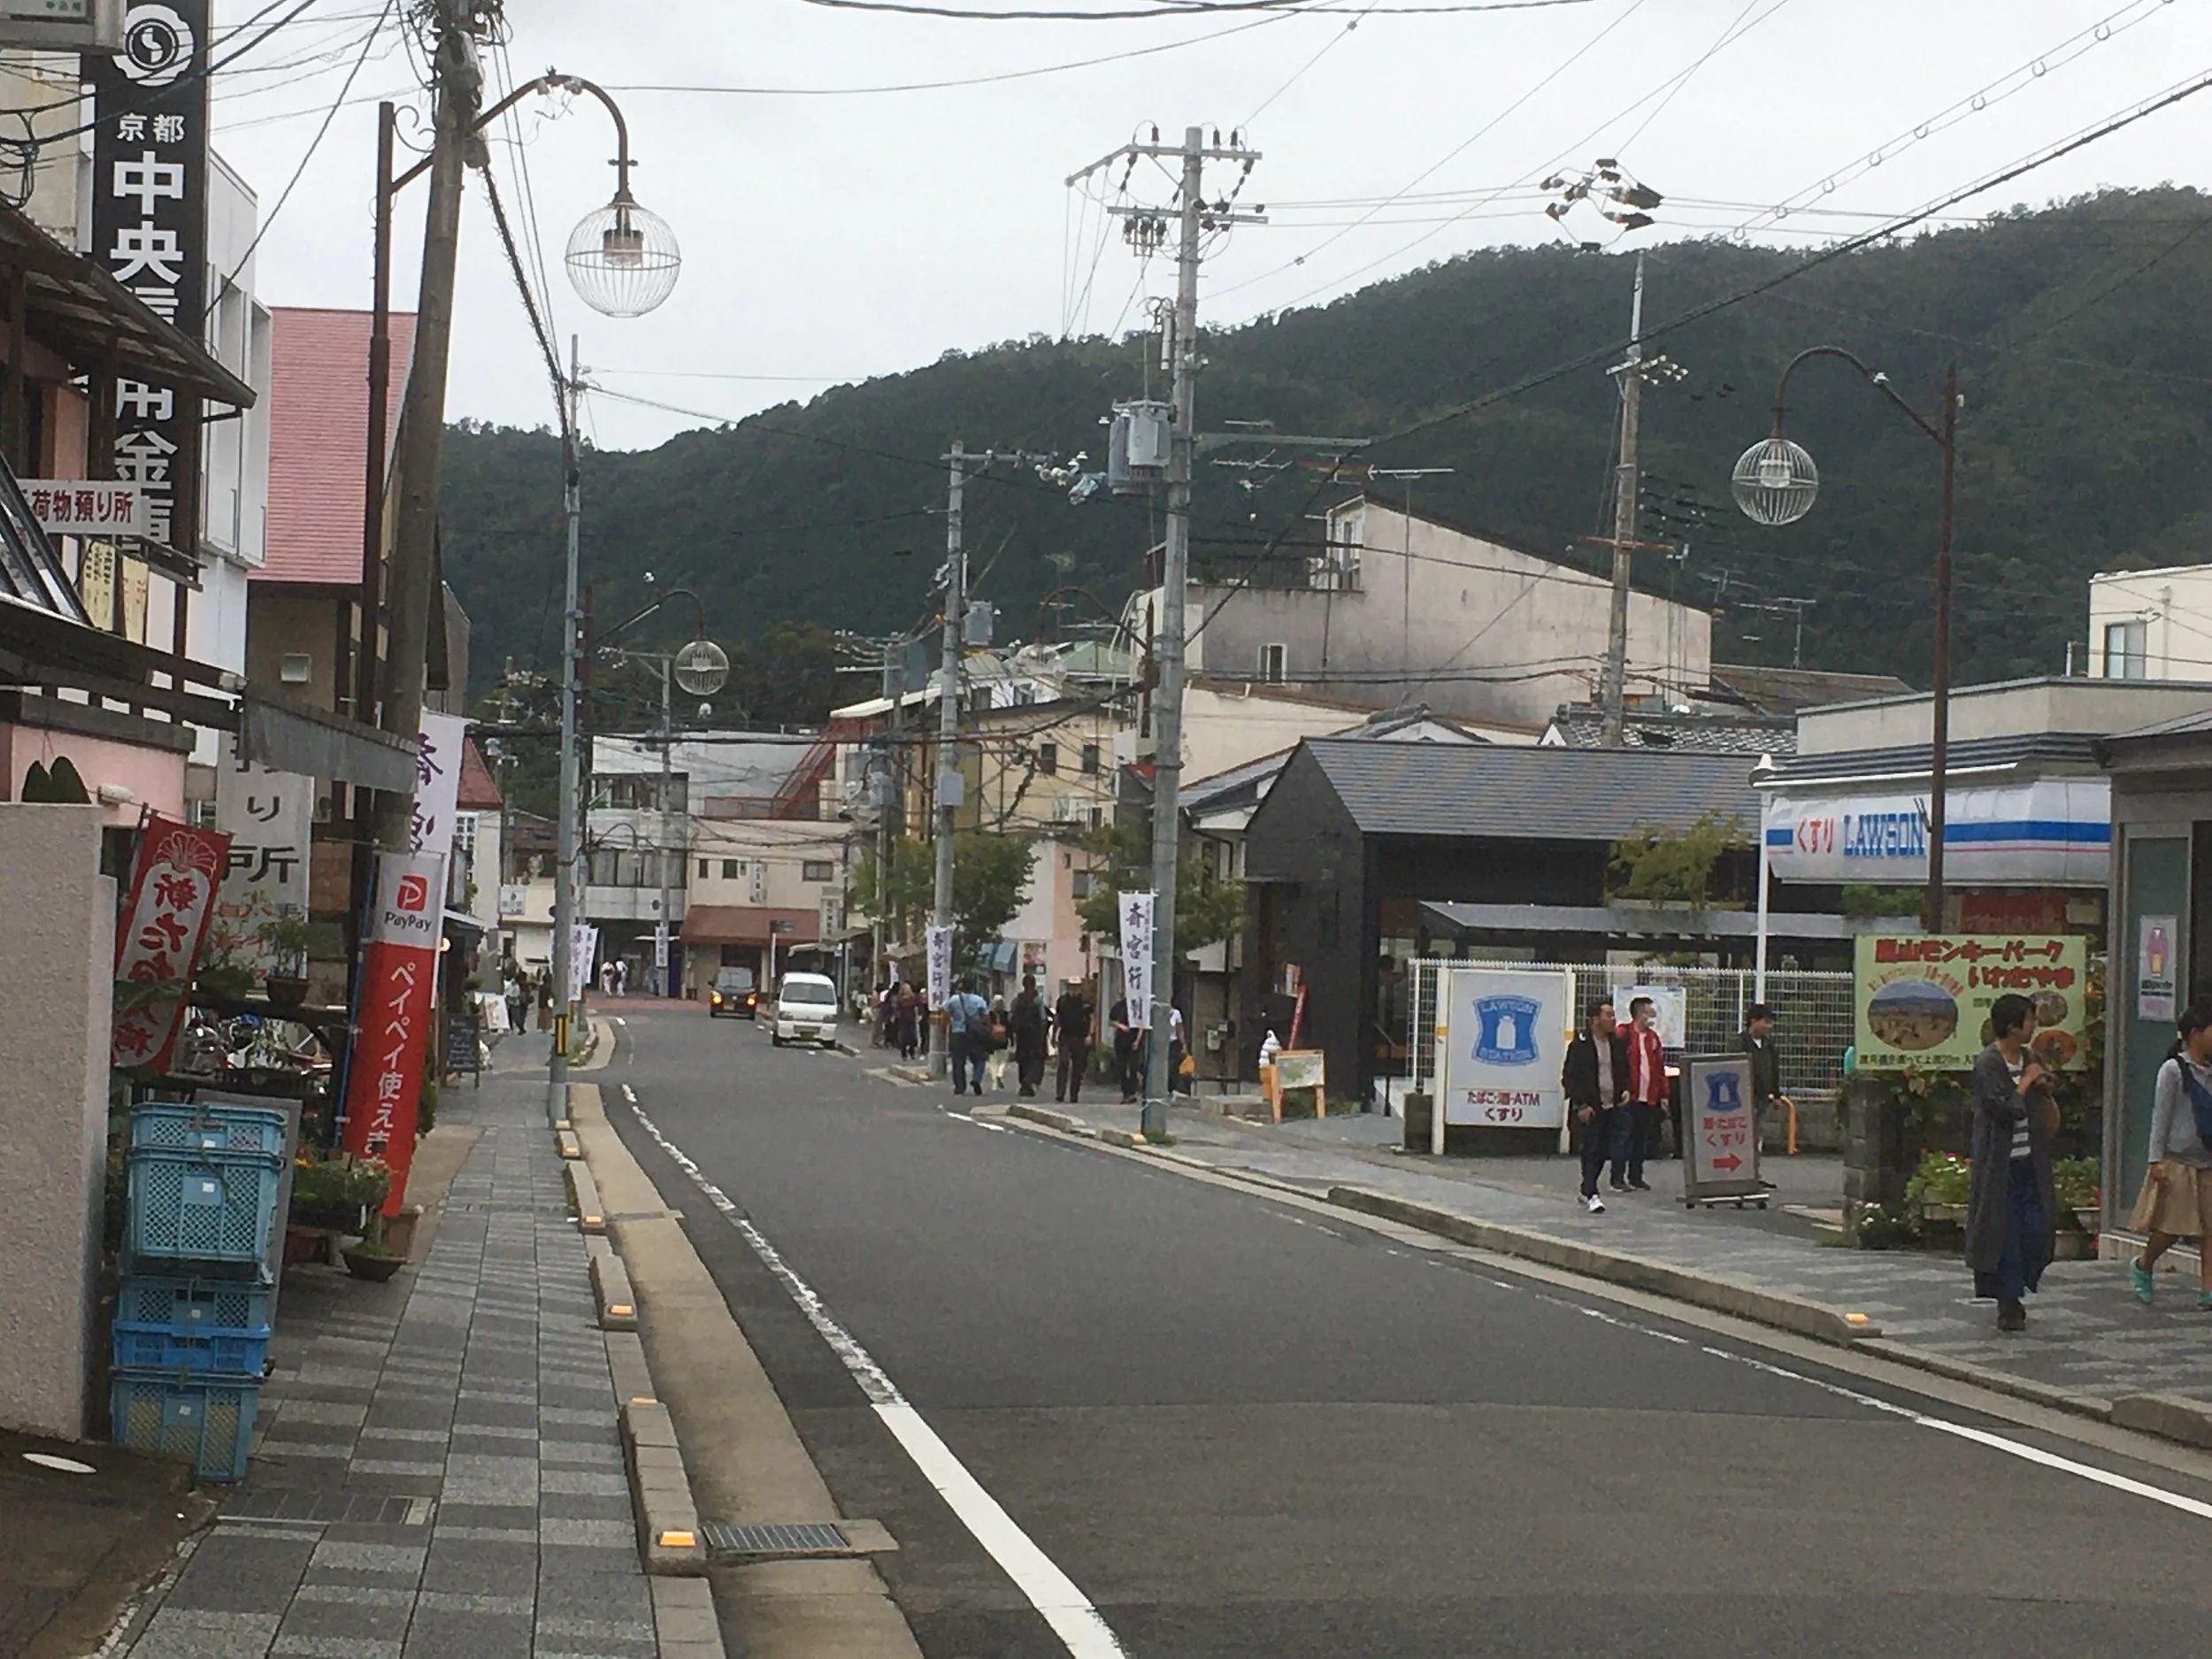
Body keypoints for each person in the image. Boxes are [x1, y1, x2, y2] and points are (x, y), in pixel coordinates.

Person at [1968, 992, 2058, 1333]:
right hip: (1999, 1164)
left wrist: (2042, 1083)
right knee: (2002, 1235)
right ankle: (2008, 1302)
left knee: (2036, 1229)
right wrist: (2025, 1084)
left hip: (2030, 1161)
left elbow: (2041, 1087)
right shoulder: (1988, 1063)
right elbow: (2004, 1108)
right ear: (2011, 1024)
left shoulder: (2029, 1056)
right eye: (2029, 1019)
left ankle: (2021, 1285)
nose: (2033, 1026)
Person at [2126, 1001, 2212, 1309]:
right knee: (2172, 1228)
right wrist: (2155, 1160)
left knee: (2210, 1229)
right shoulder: (2173, 1070)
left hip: (2208, 1160)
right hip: (2179, 1161)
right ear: (2195, 1033)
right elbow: (2160, 1117)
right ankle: (2144, 1264)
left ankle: (2207, 1290)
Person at [1563, 1002, 1628, 1214]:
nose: (1613, 1019)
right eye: (1608, 1015)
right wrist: (1581, 1104)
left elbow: (1622, 1071)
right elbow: (1570, 1078)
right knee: (1590, 1149)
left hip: (1611, 1105)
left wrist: (1625, 1090)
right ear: (1594, 1020)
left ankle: (1586, 1188)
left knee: (1602, 1150)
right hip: (1590, 1106)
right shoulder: (1580, 1045)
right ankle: (1591, 1193)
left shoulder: (1616, 1044)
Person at [1612, 995, 1666, 1193]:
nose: (1653, 1016)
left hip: (1648, 1096)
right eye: (1650, 1012)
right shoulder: (1623, 1034)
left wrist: (1664, 1094)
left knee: (1640, 1138)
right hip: (1629, 1095)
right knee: (1623, 1136)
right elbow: (1617, 1063)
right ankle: (1617, 1177)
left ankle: (1636, 1176)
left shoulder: (1653, 1038)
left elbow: (1659, 1067)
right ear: (1639, 1013)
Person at [1739, 1002, 1788, 1188]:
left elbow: (1774, 1071)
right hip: (1742, 1098)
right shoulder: (1740, 1042)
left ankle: (1754, 1173)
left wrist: (1776, 1094)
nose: (1770, 1026)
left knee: (1757, 1137)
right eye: (1766, 1022)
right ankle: (1739, 1174)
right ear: (1754, 1021)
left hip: (1761, 1098)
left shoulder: (1769, 1045)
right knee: (1740, 1138)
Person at [944, 978, 988, 1096]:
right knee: (979, 1059)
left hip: (958, 1032)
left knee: (958, 1061)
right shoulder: (979, 1000)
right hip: (975, 1034)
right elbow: (985, 1017)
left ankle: (960, 1087)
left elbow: (946, 1013)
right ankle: (976, 1079)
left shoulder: (954, 1000)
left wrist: (953, 1023)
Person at [1054, 979, 1094, 1104]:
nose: (1074, 989)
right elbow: (1057, 1018)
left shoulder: (1085, 1002)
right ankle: (1060, 1093)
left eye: (1076, 986)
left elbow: (1092, 1019)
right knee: (1063, 1063)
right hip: (1065, 1035)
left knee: (1078, 1067)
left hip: (1080, 1037)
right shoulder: (1062, 1001)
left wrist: (1089, 1035)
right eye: (1071, 986)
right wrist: (1054, 1034)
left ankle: (1074, 1094)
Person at [1009, 974, 1048, 1098]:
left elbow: (1011, 1016)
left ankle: (1024, 1083)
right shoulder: (1038, 1000)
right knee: (1035, 1059)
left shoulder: (1018, 999)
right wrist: (1043, 1033)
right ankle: (1029, 1080)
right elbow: (1043, 1018)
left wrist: (1014, 1030)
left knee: (1022, 1059)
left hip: (1021, 1034)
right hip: (1035, 1034)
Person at [1111, 996, 1141, 1102]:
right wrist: (1120, 1026)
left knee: (1133, 1066)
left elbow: (1142, 1024)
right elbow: (1112, 1020)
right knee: (1122, 1066)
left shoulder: (1138, 1004)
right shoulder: (1119, 1005)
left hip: (1134, 1037)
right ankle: (1125, 1093)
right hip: (1121, 1038)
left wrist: (1138, 1040)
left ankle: (1132, 1092)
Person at [983, 995, 1013, 1092]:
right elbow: (1009, 1027)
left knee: (994, 1062)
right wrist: (1011, 1039)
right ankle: (999, 1076)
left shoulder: (990, 1015)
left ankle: (995, 1080)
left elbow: (987, 1027)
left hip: (994, 1040)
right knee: (1001, 1060)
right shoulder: (1005, 1014)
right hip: (1001, 1039)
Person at [894, 983, 921, 1061]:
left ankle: (912, 1052)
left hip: (911, 1019)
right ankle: (904, 1054)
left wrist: (919, 1014)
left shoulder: (913, 998)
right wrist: (895, 1015)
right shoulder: (900, 999)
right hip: (903, 1019)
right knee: (904, 1037)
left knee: (912, 1036)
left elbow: (919, 1005)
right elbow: (897, 1008)